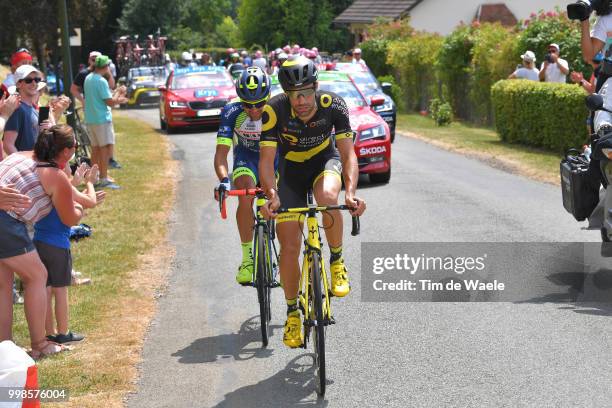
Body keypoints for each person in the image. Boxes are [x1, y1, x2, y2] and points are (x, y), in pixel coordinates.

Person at [258, 57, 366, 348]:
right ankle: (293, 312)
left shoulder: (334, 105)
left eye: (306, 92)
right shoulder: (274, 109)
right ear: (287, 94)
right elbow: (267, 162)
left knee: (328, 197)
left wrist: (351, 192)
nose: (301, 100)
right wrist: (271, 195)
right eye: (295, 95)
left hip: (324, 161)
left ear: (316, 88)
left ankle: (337, 260)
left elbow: (347, 155)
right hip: (290, 171)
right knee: (289, 246)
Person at [0, 124, 84, 359]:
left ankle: (4, 348)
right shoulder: (55, 176)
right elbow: (69, 219)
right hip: (6, 222)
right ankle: (40, 344)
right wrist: (79, 210)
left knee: (3, 287)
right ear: (67, 152)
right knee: (37, 276)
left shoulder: (21, 155)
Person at [214, 67, 276, 283]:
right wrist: (223, 181)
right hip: (246, 157)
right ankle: (248, 258)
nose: (253, 109)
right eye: (247, 105)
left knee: (280, 197)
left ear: (268, 95)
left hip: (275, 158)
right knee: (245, 195)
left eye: (259, 103)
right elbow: (221, 154)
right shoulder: (231, 111)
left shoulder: (279, 107)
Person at [36, 162, 105, 345]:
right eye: (68, 167)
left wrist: (80, 191)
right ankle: (63, 333)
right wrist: (89, 185)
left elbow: (71, 196)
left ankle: (49, 333)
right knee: (60, 290)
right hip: (58, 246)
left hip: (38, 242)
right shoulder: (62, 186)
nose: (71, 169)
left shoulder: (46, 183)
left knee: (46, 288)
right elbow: (76, 214)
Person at [83, 55, 128, 190]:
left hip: (91, 119)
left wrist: (116, 95)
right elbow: (109, 102)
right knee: (105, 149)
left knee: (95, 149)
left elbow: (101, 97)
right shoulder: (101, 81)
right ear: (106, 67)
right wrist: (119, 94)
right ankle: (103, 178)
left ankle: (94, 177)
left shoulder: (88, 78)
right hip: (102, 119)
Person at [3, 65, 47, 155]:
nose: (34, 83)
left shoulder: (34, 109)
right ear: (18, 84)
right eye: (28, 80)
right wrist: (24, 165)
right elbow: (7, 145)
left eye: (37, 80)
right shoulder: (17, 108)